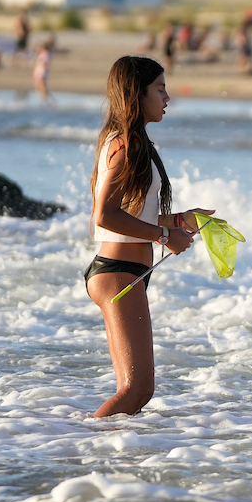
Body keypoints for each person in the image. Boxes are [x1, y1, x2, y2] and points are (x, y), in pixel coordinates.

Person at [86, 57, 213, 417]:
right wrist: (163, 235)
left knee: (135, 391)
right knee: (137, 389)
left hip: (123, 270)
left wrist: (178, 220)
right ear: (136, 94)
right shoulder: (127, 144)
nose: (167, 96)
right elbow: (105, 215)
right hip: (118, 271)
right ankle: (84, 448)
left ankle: (114, 459)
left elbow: (130, 215)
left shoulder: (130, 141)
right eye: (159, 89)